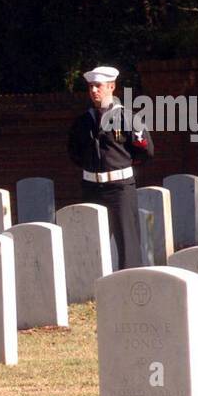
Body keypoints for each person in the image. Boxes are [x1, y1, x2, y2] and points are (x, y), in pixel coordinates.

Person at [67, 64, 154, 268]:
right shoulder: (82, 122)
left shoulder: (128, 118)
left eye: (98, 85)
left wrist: (120, 167)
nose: (93, 90)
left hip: (120, 189)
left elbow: (145, 151)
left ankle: (129, 280)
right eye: (90, 86)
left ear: (111, 87)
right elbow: (74, 152)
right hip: (91, 188)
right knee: (91, 242)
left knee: (128, 243)